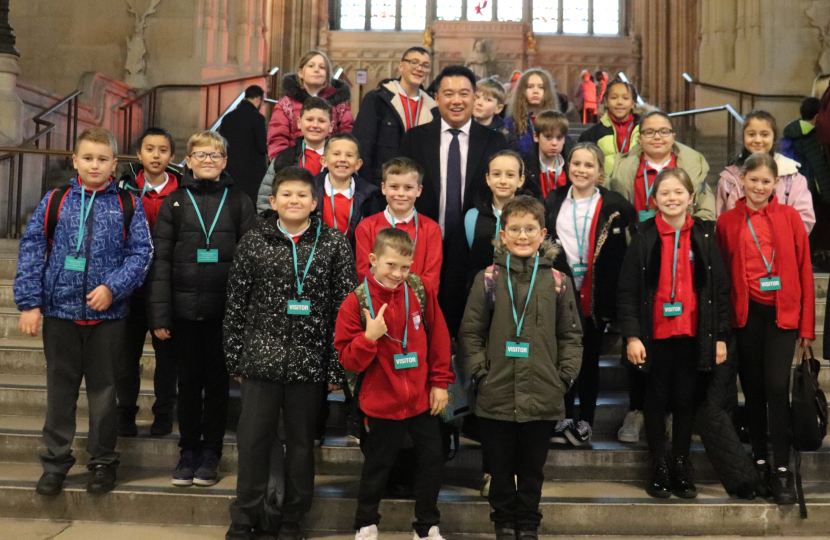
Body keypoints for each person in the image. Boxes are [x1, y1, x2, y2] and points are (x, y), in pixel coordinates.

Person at [14, 127, 153, 496]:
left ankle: (103, 461)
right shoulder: (57, 200)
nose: (95, 165)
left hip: (108, 317)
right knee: (60, 392)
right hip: (60, 311)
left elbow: (142, 254)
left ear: (114, 163)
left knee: (105, 393)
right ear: (75, 160)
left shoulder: (128, 203)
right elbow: (31, 247)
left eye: (102, 159)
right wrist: (30, 302)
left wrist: (113, 287)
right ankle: (56, 462)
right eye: (87, 158)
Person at [224, 166, 356, 540]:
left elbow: (343, 311)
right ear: (273, 201)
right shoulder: (254, 241)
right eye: (287, 195)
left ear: (315, 203)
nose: (294, 201)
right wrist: (236, 357)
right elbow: (236, 304)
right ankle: (245, 516)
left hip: (310, 363)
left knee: (300, 446)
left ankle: (293, 517)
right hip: (260, 361)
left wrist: (334, 365)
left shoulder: (333, 244)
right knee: (252, 443)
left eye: (302, 195)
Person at [459, 196, 582, 540]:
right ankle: (503, 521)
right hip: (495, 390)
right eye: (515, 229)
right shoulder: (486, 278)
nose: (523, 235)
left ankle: (528, 523)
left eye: (530, 229)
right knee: (499, 469)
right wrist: (481, 374)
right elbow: (470, 333)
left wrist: (564, 378)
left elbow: (571, 336)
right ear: (502, 233)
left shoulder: (558, 281)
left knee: (532, 469)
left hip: (543, 390)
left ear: (543, 233)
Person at [147, 131, 256, 487]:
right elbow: (160, 261)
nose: (208, 161)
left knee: (219, 386)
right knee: (188, 385)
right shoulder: (174, 202)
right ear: (188, 161)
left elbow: (251, 263)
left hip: (224, 313)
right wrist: (160, 315)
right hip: (183, 313)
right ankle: (188, 450)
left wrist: (244, 319)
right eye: (201, 155)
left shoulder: (239, 201)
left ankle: (211, 453)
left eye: (215, 155)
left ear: (225, 161)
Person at [617, 167, 730, 499]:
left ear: (691, 198)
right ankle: (660, 464)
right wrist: (632, 336)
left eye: (679, 193)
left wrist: (720, 335)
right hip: (654, 335)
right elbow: (626, 292)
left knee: (685, 400)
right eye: (664, 193)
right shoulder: (643, 236)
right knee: (655, 399)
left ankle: (681, 464)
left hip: (694, 333)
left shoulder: (706, 236)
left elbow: (720, 290)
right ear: (654, 200)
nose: (672, 198)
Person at [335, 228, 454, 540]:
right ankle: (365, 523)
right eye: (390, 265)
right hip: (381, 401)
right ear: (373, 260)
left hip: (420, 399)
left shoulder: (419, 290)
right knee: (378, 464)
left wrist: (439, 382)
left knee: (432, 459)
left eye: (405, 266)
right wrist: (368, 338)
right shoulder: (356, 301)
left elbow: (439, 338)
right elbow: (348, 359)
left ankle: (427, 526)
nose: (398, 274)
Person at [716, 152, 815, 506]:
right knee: (754, 391)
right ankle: (759, 461)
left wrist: (807, 327)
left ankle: (783, 469)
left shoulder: (789, 218)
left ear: (776, 184)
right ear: (741, 180)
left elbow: (804, 271)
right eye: (753, 180)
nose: (759, 187)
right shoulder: (727, 221)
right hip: (746, 315)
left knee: (776, 388)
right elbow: (723, 276)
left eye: (766, 181)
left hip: (782, 316)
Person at [398, 64, 508, 335]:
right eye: (448, 94)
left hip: (476, 250)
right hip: (423, 247)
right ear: (436, 98)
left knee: (472, 328)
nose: (456, 101)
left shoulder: (495, 143)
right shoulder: (414, 139)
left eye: (464, 93)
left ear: (475, 97)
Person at [545, 143, 635, 447]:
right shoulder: (553, 201)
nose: (581, 170)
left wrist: (615, 302)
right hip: (560, 294)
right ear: (567, 166)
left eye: (588, 165)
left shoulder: (616, 205)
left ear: (600, 172)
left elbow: (623, 257)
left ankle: (586, 422)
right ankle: (563, 416)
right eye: (576, 163)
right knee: (561, 358)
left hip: (596, 298)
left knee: (588, 361)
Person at [116, 126, 180, 438]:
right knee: (126, 358)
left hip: (166, 289)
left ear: (172, 155)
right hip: (130, 290)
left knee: (167, 360)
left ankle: (164, 412)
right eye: (150, 149)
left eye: (163, 150)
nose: (156, 155)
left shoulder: (182, 191)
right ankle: (125, 410)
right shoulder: (123, 188)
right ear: (139, 155)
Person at [715, 109, 815, 232]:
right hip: (739, 248)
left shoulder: (792, 177)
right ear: (743, 137)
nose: (758, 140)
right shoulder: (729, 179)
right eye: (751, 134)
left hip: (779, 248)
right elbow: (719, 220)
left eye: (764, 135)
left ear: (773, 138)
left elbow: (804, 219)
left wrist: (773, 240)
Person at [355, 157, 443, 292]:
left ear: (419, 190)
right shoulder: (367, 227)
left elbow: (431, 278)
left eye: (408, 188)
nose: (401, 194)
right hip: (377, 303)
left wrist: (407, 301)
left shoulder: (431, 229)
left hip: (416, 304)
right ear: (383, 188)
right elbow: (364, 273)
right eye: (394, 187)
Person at [352, 47, 437, 186]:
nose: (419, 68)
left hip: (417, 187)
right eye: (414, 62)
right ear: (401, 66)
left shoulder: (433, 108)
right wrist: (367, 187)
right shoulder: (377, 99)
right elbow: (362, 146)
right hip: (381, 185)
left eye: (425, 65)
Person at [267, 50, 353, 160]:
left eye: (322, 67)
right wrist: (283, 163)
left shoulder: (339, 105)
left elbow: (347, 134)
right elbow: (277, 137)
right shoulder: (286, 104)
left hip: (329, 164)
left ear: (327, 75)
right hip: (294, 165)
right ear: (301, 73)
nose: (316, 70)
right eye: (311, 66)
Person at [257, 97, 334, 212]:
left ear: (331, 126)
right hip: (289, 226)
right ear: (299, 123)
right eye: (309, 119)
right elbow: (265, 198)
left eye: (321, 121)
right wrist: (272, 227)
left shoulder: (339, 160)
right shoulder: (284, 159)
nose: (315, 125)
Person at [780, 97, 830, 265]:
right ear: (817, 117)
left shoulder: (791, 132)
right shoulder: (811, 136)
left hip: (793, 188)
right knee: (812, 226)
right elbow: (819, 167)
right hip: (811, 189)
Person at [465, 150, 526, 285]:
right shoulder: (471, 217)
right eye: (496, 174)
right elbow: (458, 267)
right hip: (480, 296)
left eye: (510, 175)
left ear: (520, 180)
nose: (503, 181)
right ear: (488, 178)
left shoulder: (532, 218)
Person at [315, 133, 379, 241]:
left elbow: (373, 234)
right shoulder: (310, 191)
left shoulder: (368, 196)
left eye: (349, 155)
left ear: (358, 164)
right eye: (336, 154)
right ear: (324, 161)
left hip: (353, 255)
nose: (343, 159)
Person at [578, 78, 641, 176]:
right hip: (605, 188)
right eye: (614, 97)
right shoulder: (592, 134)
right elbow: (581, 165)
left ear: (633, 104)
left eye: (625, 98)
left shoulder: (644, 130)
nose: (619, 102)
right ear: (606, 102)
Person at [218, 85, 269, 204]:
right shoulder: (257, 118)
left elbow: (221, 143)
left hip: (230, 170)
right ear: (258, 99)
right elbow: (261, 146)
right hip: (253, 172)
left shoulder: (228, 118)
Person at [504, 68, 559, 156]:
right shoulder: (511, 123)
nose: (535, 91)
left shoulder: (557, 122)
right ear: (522, 91)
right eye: (530, 87)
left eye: (541, 87)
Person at [523, 110, 576, 199]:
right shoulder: (525, 168)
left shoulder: (572, 167)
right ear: (536, 137)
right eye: (548, 137)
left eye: (559, 138)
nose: (554, 143)